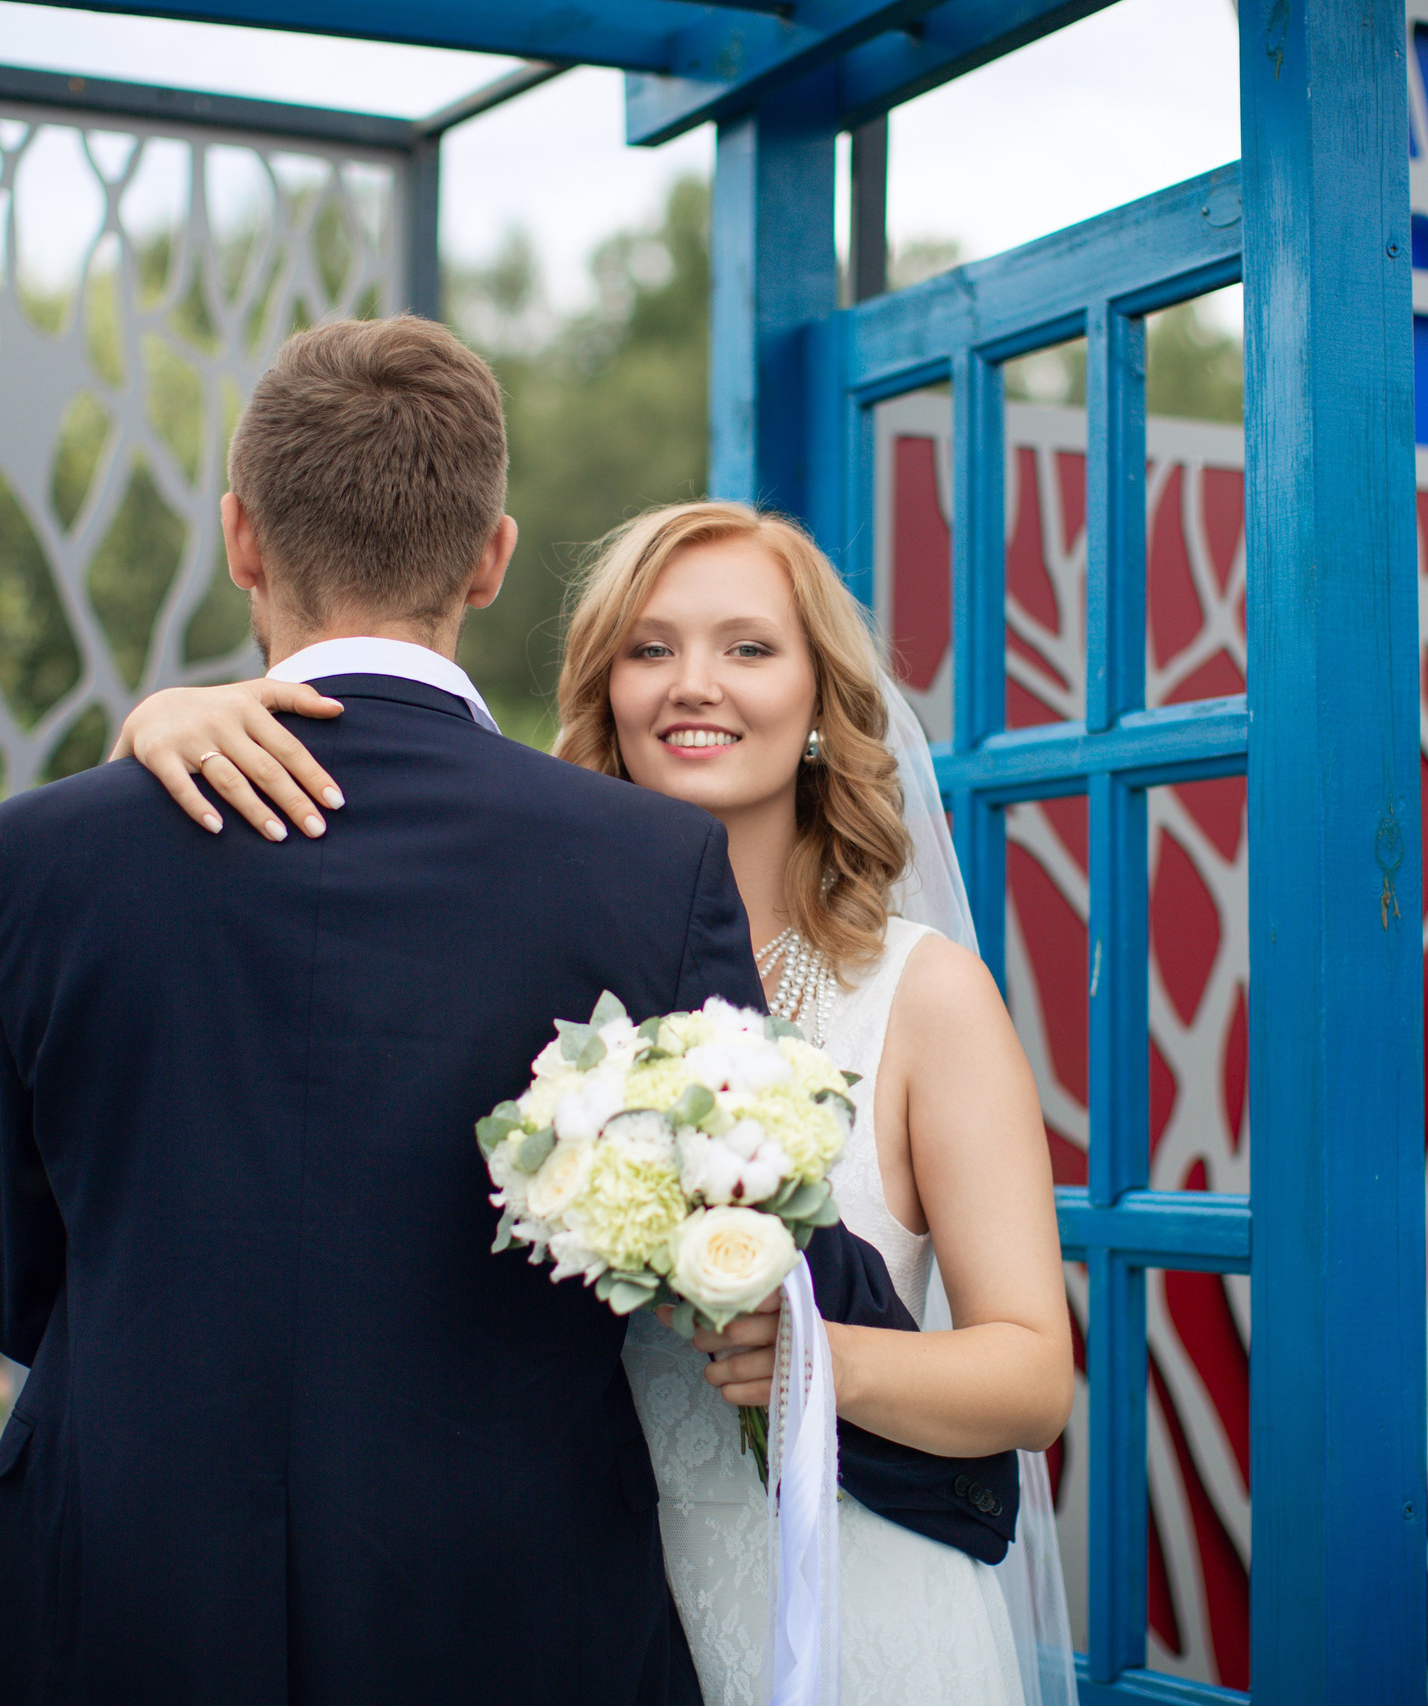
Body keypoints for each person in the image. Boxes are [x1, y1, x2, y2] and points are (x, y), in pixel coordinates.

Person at [115, 499, 1080, 1706]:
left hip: (848, 1608)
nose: (693, 683)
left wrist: (816, 1357)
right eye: (649, 647)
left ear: (821, 704)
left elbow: (1031, 1375)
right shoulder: (532, 964)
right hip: (576, 1615)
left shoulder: (923, 995)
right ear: (606, 693)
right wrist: (161, 723)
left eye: (747, 646)